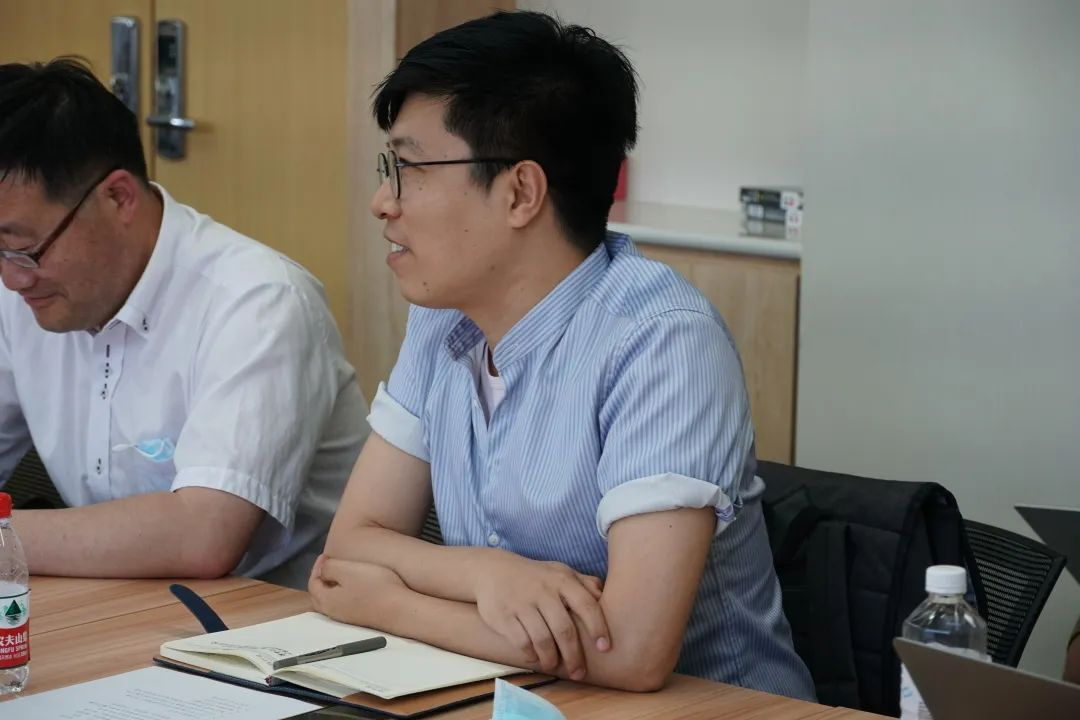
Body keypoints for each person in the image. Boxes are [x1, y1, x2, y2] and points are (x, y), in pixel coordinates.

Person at [310, 10, 814, 697]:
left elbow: (631, 651)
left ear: (521, 192)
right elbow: (351, 546)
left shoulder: (662, 340)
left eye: (410, 168)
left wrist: (391, 606)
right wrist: (489, 575)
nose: (382, 202)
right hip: (520, 696)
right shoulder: (442, 318)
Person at [0, 58, 368, 589]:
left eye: (24, 249)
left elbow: (202, 533)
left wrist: (5, 535)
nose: (13, 279)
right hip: (115, 603)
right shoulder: (25, 288)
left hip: (273, 622)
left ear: (118, 197)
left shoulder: (258, 302)